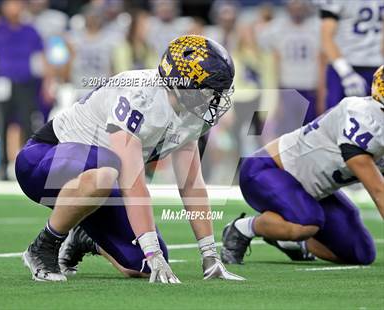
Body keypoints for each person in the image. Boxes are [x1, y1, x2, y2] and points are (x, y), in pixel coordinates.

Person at [15, 35, 244, 283]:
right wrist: (152, 251)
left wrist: (209, 256)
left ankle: (83, 237)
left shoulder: (189, 111)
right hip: (44, 159)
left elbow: (191, 184)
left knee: (141, 264)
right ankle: (43, 246)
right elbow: (132, 182)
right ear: (184, 84)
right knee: (108, 170)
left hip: (99, 179)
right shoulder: (139, 95)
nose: (215, 98)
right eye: (209, 90)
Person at [221, 66, 384, 266]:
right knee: (306, 221)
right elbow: (379, 192)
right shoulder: (363, 120)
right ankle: (242, 228)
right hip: (267, 170)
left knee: (360, 253)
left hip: (312, 191)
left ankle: (289, 241)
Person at [0, 0, 48, 180]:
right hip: (2, 83)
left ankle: (27, 167)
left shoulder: (30, 31)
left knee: (28, 125)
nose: (14, 8)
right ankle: (1, 168)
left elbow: (42, 58)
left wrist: (48, 84)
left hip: (26, 84)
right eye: (10, 4)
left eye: (17, 4)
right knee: (0, 125)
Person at [260, 0, 323, 126]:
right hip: (287, 87)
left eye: (300, 3)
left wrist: (322, 92)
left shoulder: (317, 26)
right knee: (288, 133)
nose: (297, 7)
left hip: (310, 86)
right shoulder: (275, 28)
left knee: (310, 131)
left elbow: (322, 61)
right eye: (294, 3)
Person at [320, 0, 383, 109]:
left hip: (376, 67)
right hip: (344, 65)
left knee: (377, 121)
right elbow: (326, 36)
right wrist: (346, 72)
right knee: (337, 119)